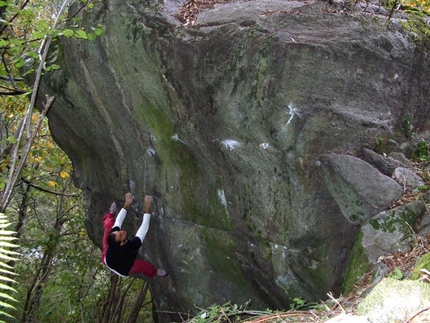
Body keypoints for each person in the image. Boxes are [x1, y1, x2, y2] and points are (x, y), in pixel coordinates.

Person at [101, 192, 168, 278]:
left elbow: (118, 222)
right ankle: (155, 273)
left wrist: (127, 203)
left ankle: (111, 213)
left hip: (107, 256)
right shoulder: (128, 248)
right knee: (145, 267)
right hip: (122, 266)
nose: (122, 232)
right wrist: (147, 206)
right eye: (121, 235)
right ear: (121, 243)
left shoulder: (113, 237)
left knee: (109, 225)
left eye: (118, 232)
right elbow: (142, 231)